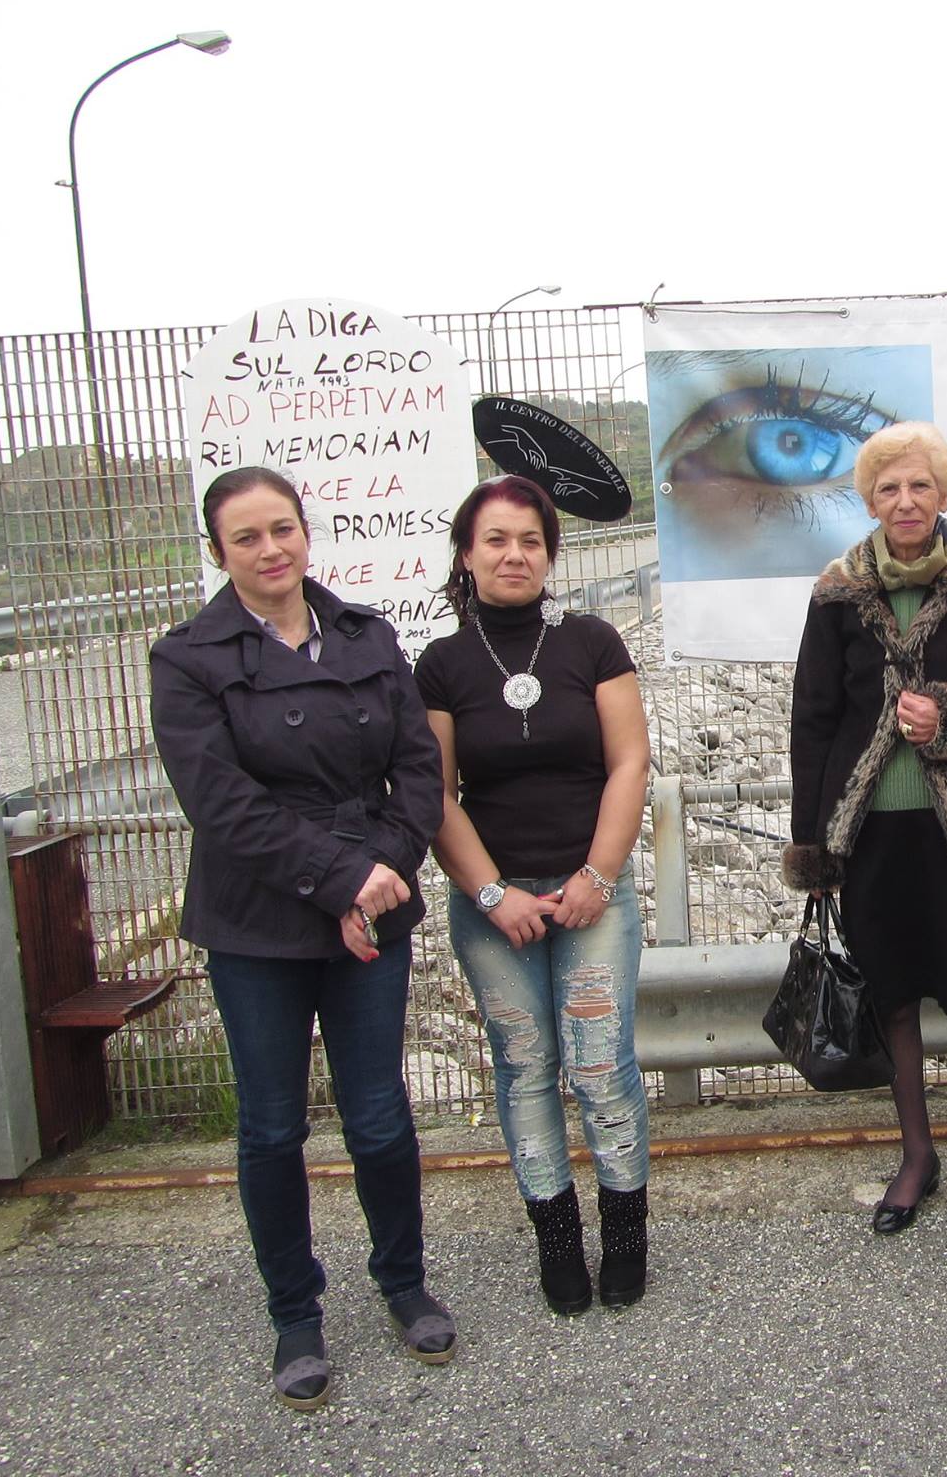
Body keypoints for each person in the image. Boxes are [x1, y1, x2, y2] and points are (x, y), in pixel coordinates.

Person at [149, 467, 452, 1412]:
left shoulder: (367, 635)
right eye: (247, 538)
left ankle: (402, 1283)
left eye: (284, 529)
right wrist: (343, 877)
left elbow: (417, 766)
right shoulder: (188, 657)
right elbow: (220, 802)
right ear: (218, 552)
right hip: (257, 921)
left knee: (377, 1111)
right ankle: (294, 1311)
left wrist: (388, 867)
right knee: (274, 1123)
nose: (272, 550)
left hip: (375, 901)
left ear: (307, 534)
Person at [785, 422, 947, 1235]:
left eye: (920, 486)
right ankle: (917, 1154)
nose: (905, 501)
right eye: (889, 489)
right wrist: (815, 844)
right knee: (890, 995)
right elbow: (813, 721)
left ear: (945, 496)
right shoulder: (835, 593)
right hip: (870, 838)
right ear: (868, 501)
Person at [415, 474, 654, 1311]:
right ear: (468, 553)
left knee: (600, 1067)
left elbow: (630, 762)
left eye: (529, 540)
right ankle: (557, 1243)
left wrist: (598, 876)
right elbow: (437, 795)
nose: (514, 554)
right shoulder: (441, 666)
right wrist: (490, 895)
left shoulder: (593, 642)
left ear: (551, 553)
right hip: (496, 907)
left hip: (593, 896)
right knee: (524, 1070)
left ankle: (625, 1237)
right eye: (496, 540)